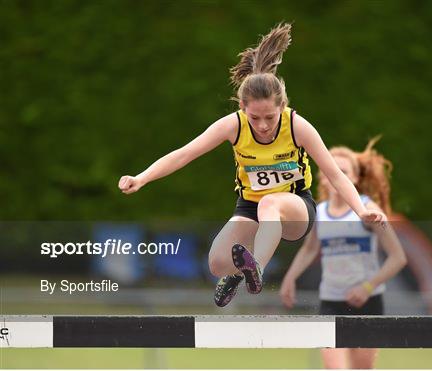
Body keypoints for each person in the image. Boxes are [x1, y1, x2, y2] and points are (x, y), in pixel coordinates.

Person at [118, 23, 386, 307]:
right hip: (249, 205)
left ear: (281, 106)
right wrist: (142, 177)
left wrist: (361, 210)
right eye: (254, 117)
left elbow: (334, 174)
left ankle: (254, 267)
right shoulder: (233, 126)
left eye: (269, 117)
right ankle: (241, 272)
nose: (262, 126)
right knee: (218, 263)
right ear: (243, 108)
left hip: (293, 208)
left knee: (270, 203)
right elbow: (184, 154)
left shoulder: (297, 126)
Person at [280, 140, 407, 369]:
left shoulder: (368, 210)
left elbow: (398, 257)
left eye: (344, 172)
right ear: (323, 177)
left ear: (355, 178)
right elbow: (309, 249)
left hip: (367, 302)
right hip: (330, 301)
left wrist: (367, 287)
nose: (335, 177)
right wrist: (290, 278)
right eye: (331, 172)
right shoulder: (319, 212)